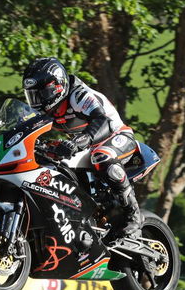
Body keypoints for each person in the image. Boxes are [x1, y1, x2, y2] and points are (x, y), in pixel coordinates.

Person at [22, 57, 142, 238]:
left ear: (58, 86)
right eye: (32, 95)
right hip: (86, 146)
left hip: (117, 136)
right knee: (47, 165)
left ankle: (133, 215)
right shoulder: (45, 110)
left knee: (101, 156)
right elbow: (26, 130)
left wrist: (80, 141)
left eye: (42, 93)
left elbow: (102, 121)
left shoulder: (78, 95)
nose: (37, 100)